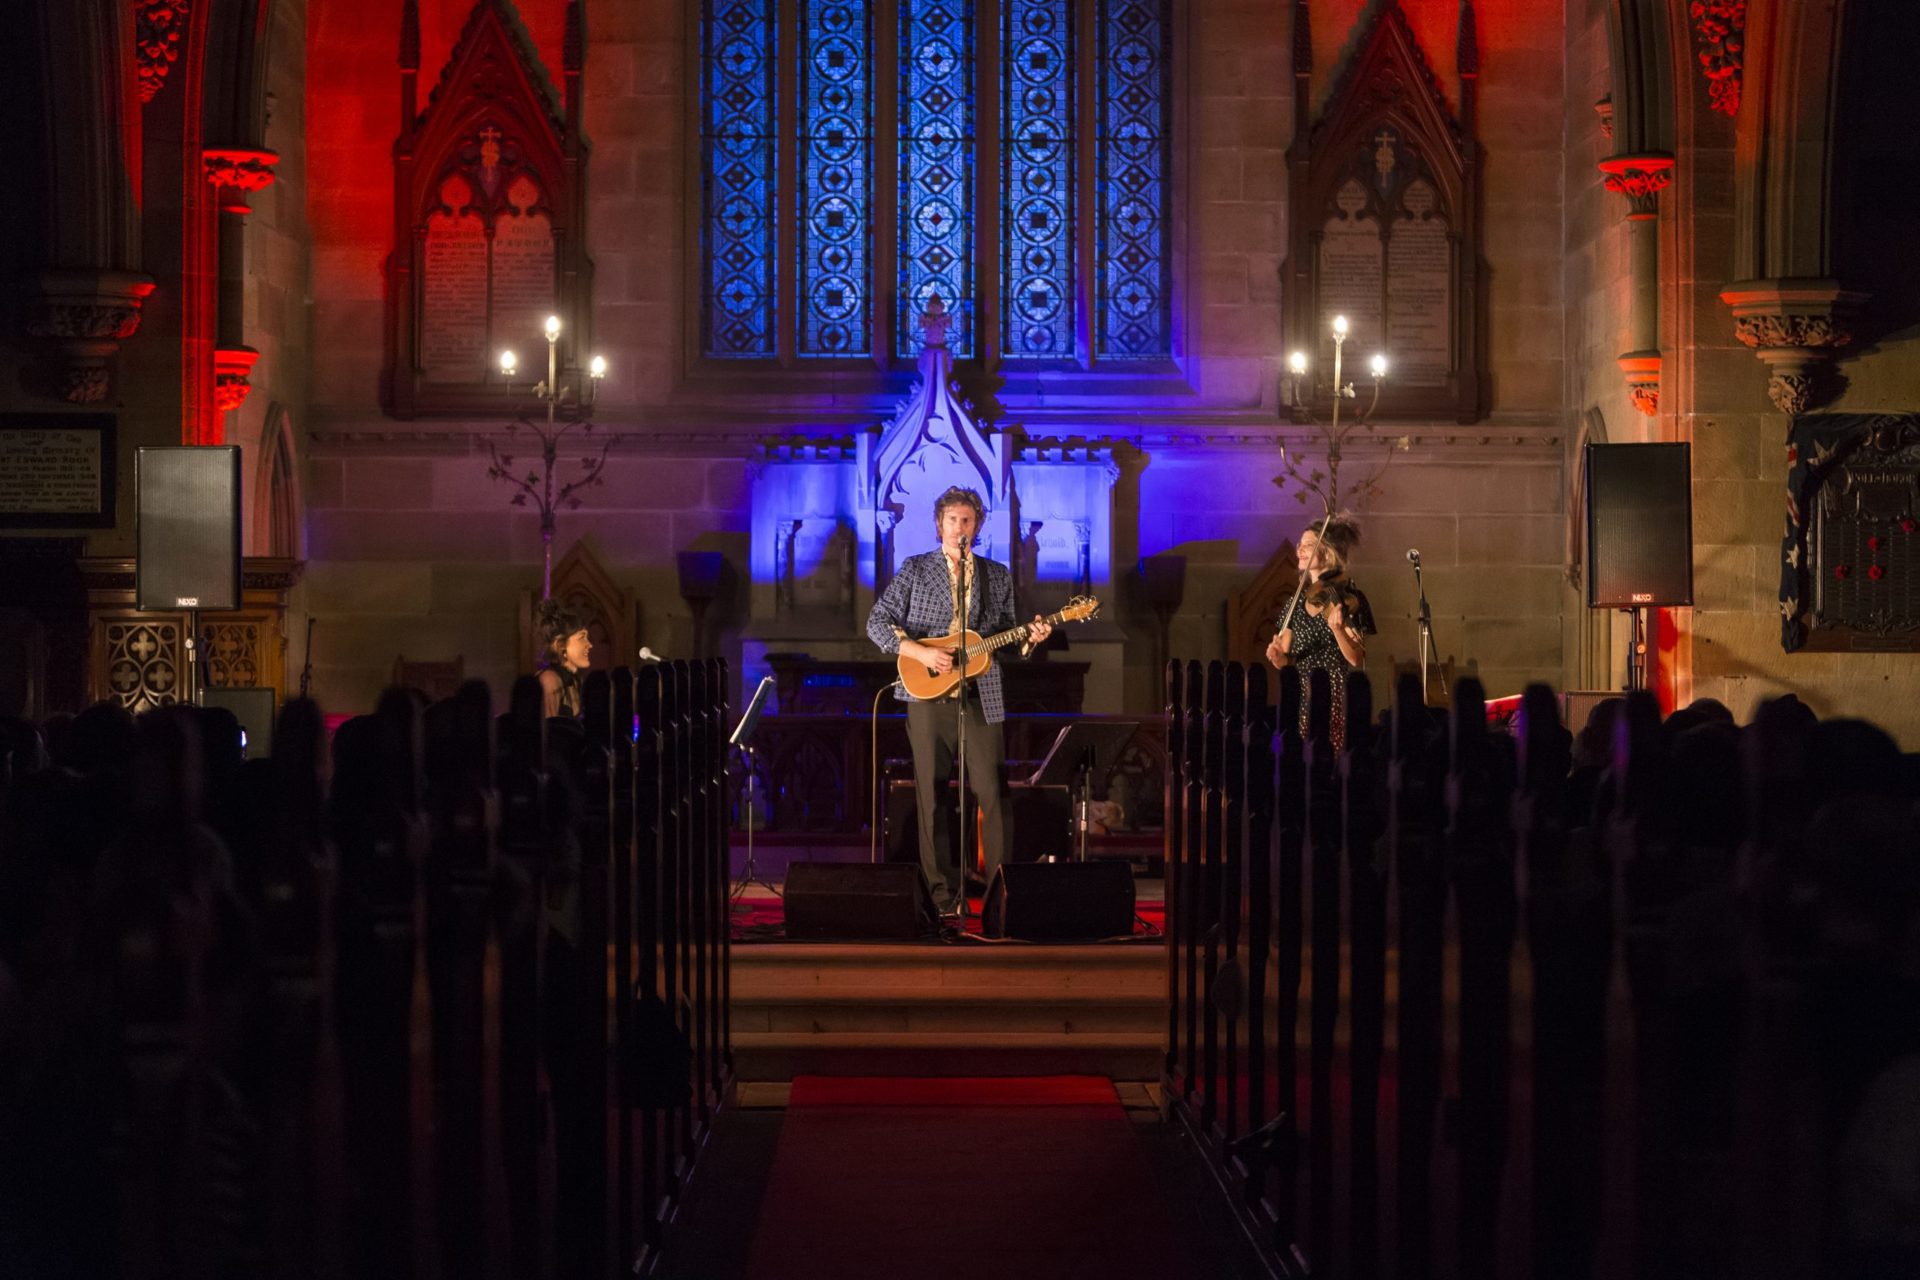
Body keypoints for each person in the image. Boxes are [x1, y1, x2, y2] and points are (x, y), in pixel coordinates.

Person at [866, 486, 1053, 918]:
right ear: (939, 524)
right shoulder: (915, 570)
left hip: (980, 696)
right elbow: (877, 622)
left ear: (979, 526)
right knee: (932, 798)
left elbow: (1004, 636)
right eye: (952, 519)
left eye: (967, 520)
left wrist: (1029, 639)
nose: (959, 527)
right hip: (926, 696)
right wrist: (921, 652)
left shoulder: (996, 574)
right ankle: (942, 896)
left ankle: (1000, 896)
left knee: (993, 793)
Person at [1265, 514, 1376, 754]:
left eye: (1308, 545)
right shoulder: (1294, 604)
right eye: (1300, 545)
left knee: (1327, 763)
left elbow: (1356, 658)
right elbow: (1286, 662)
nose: (1300, 550)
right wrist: (1277, 658)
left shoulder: (1346, 599)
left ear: (1326, 552)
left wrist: (1337, 628)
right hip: (1300, 698)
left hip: (1333, 696)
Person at [534, 598, 592, 719]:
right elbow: (549, 733)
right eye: (582, 638)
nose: (590, 645)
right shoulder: (549, 680)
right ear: (560, 645)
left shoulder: (576, 680)